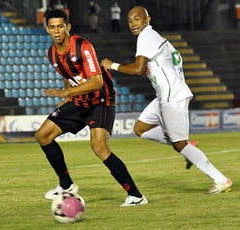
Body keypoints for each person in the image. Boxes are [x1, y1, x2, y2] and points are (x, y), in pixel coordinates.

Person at [101, 6, 232, 195]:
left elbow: (138, 69)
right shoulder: (159, 39)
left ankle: (220, 179)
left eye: (137, 19)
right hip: (165, 95)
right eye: (129, 20)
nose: (133, 24)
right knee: (140, 129)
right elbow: (172, 62)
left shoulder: (146, 36)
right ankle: (187, 146)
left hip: (172, 97)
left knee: (180, 144)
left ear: (147, 19)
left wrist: (111, 65)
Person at [35, 9, 148, 207]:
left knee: (99, 147)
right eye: (52, 27)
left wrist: (66, 94)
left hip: (101, 100)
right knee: (43, 135)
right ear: (47, 30)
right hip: (79, 101)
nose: (57, 31)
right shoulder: (51, 52)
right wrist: (67, 93)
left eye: (60, 26)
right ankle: (67, 185)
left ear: (68, 27)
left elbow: (96, 82)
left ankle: (136, 196)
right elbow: (67, 73)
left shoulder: (82, 46)